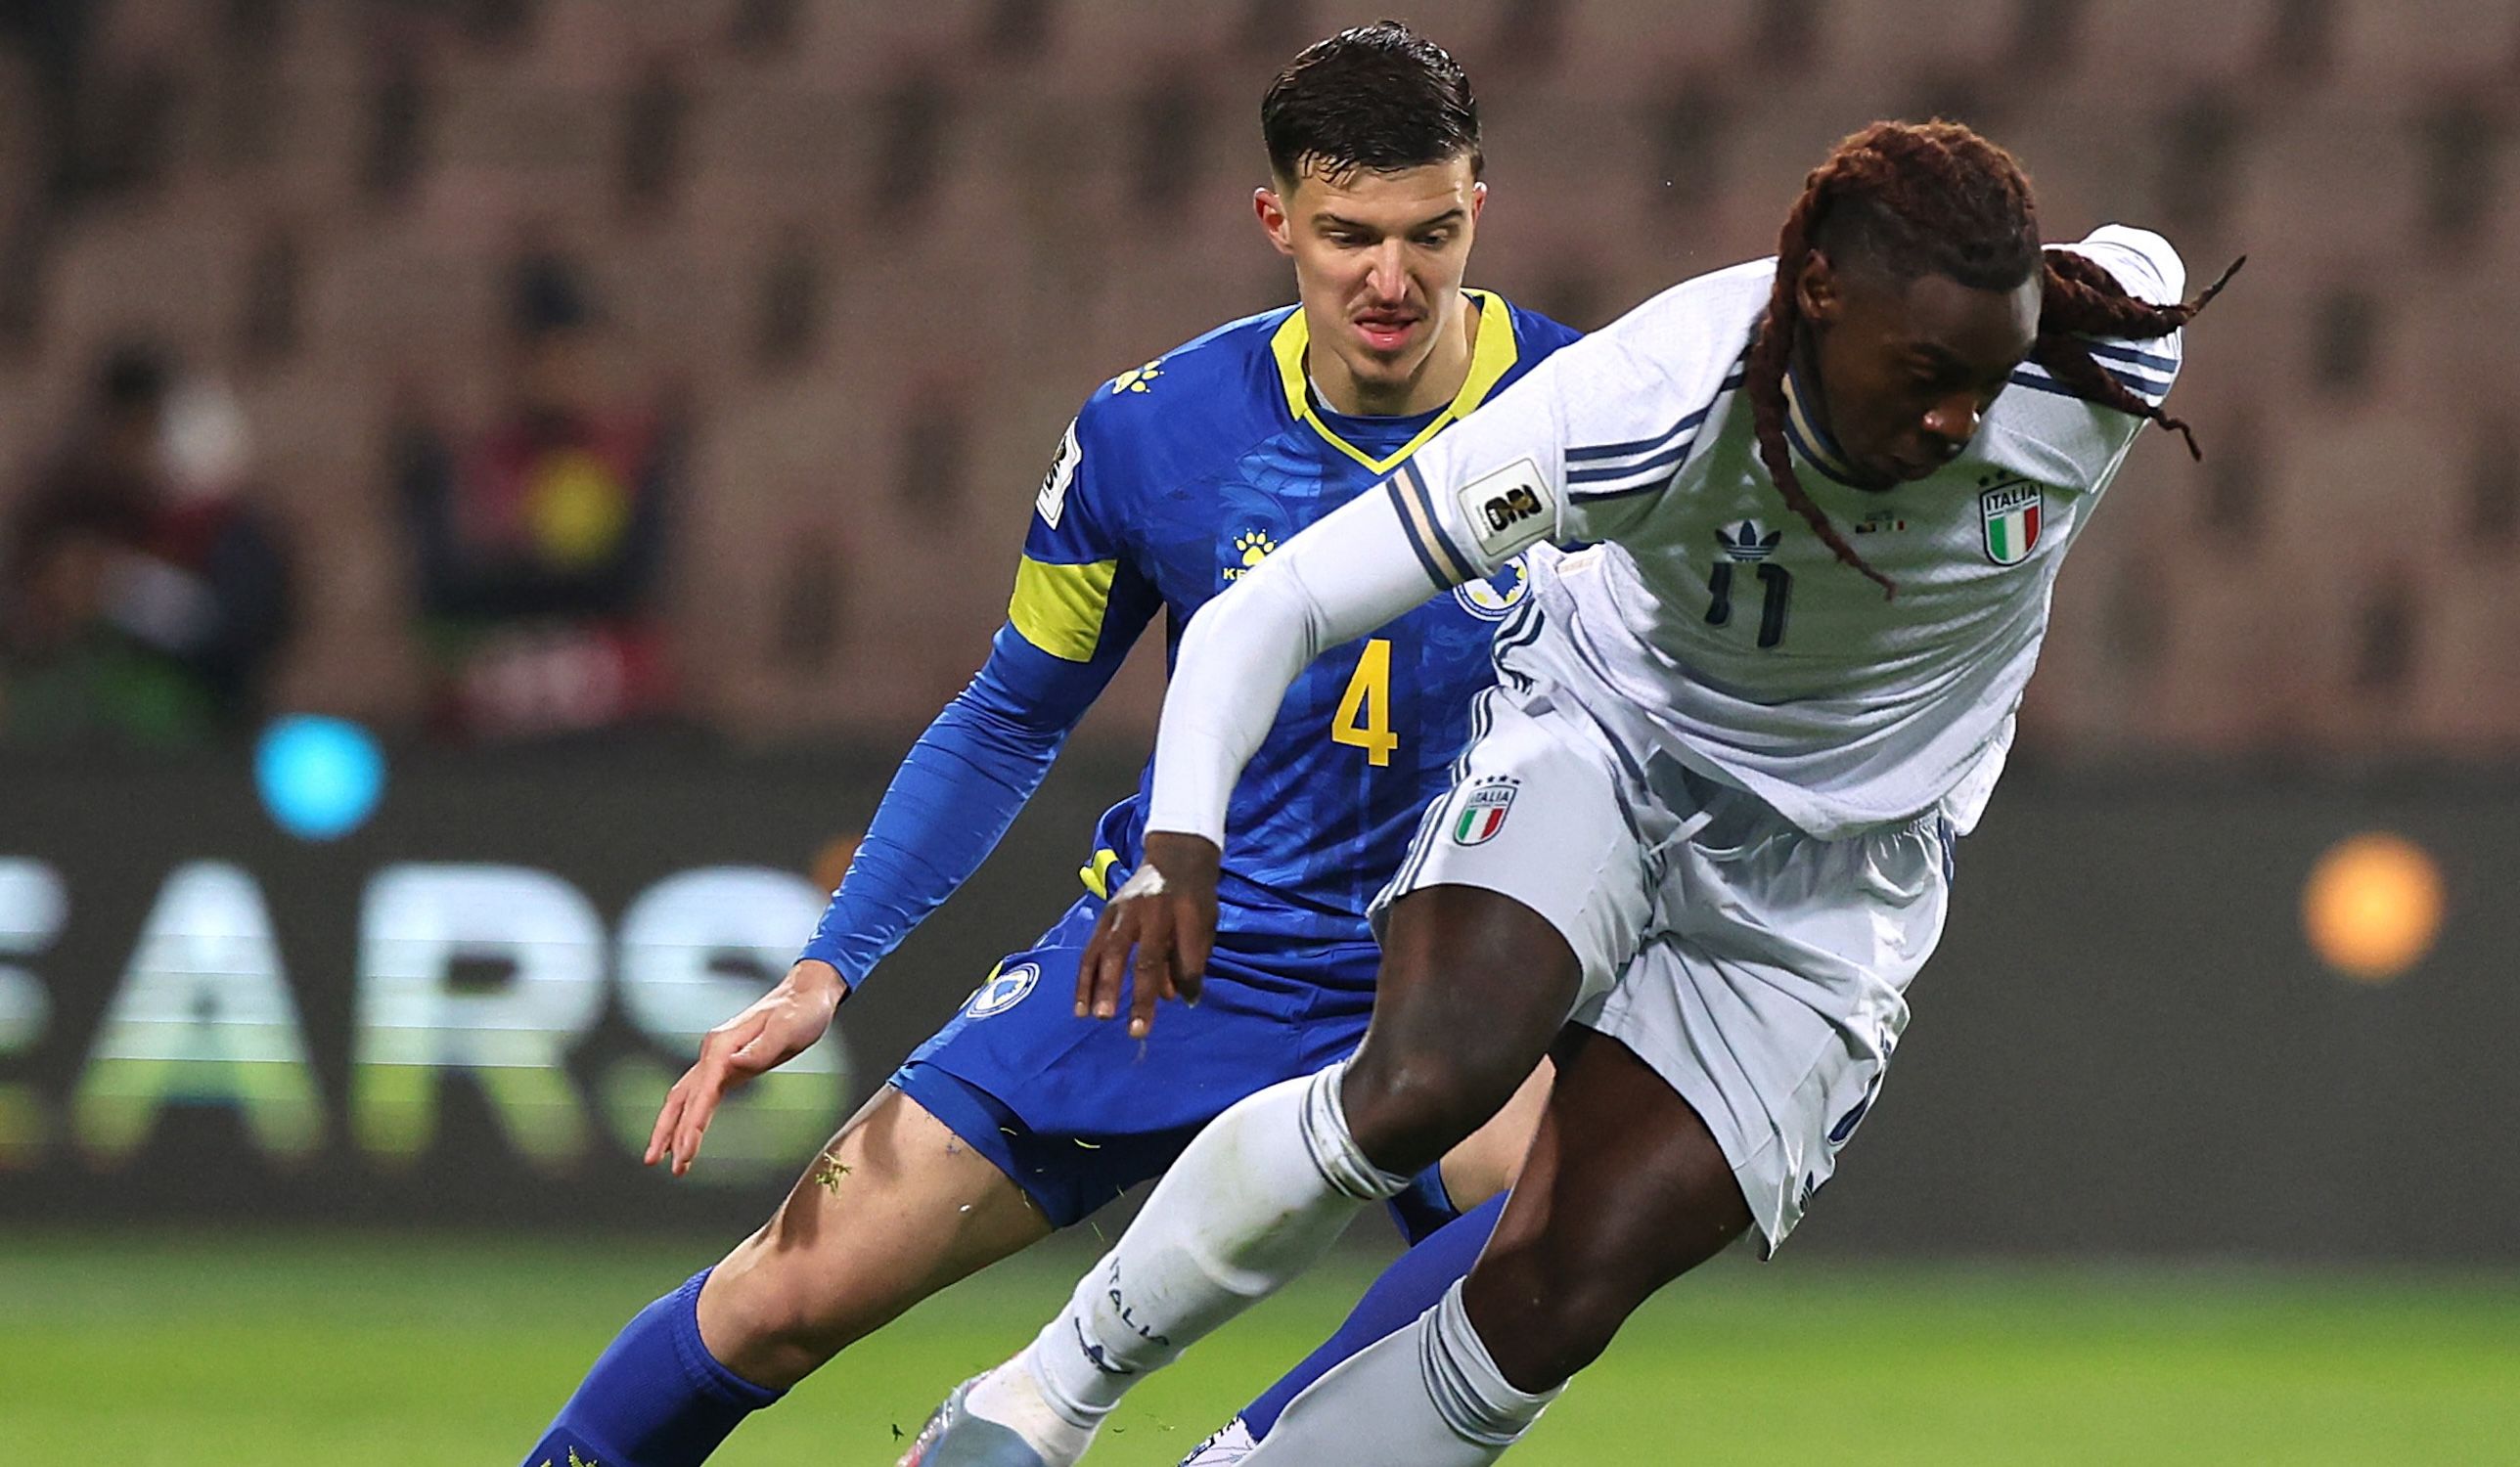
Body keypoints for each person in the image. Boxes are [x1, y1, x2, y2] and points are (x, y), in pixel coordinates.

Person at [926, 120, 2233, 1466]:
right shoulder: (1653, 399)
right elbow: (1283, 603)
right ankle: (1038, 1403)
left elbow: (2136, 262)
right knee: (1424, 1082)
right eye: (1926, 375)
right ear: (1818, 298)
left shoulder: (2100, 361)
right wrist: (1178, 840)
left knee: (1555, 1296)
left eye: (1987, 374)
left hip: (1837, 887)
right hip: (1609, 750)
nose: (1961, 418)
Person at [520, 23, 1579, 1467]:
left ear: (1479, 212)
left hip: (1450, 969)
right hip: (1178, 957)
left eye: (1428, 232)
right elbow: (1014, 709)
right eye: (1347, 236)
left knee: (1559, 1218)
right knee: (780, 1300)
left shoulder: (1594, 418)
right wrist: (832, 964)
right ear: (1274, 220)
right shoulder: (1156, 435)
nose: (1390, 280)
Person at [395, 249, 682, 740]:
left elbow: (632, 583)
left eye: (575, 351)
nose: (562, 369)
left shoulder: (624, 459)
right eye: (547, 352)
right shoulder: (486, 463)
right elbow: (447, 588)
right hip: (496, 718)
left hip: (610, 728)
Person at [1, 344, 293, 747]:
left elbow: (235, 640)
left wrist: (120, 588)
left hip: (186, 744)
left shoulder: (230, 536)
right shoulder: (69, 508)